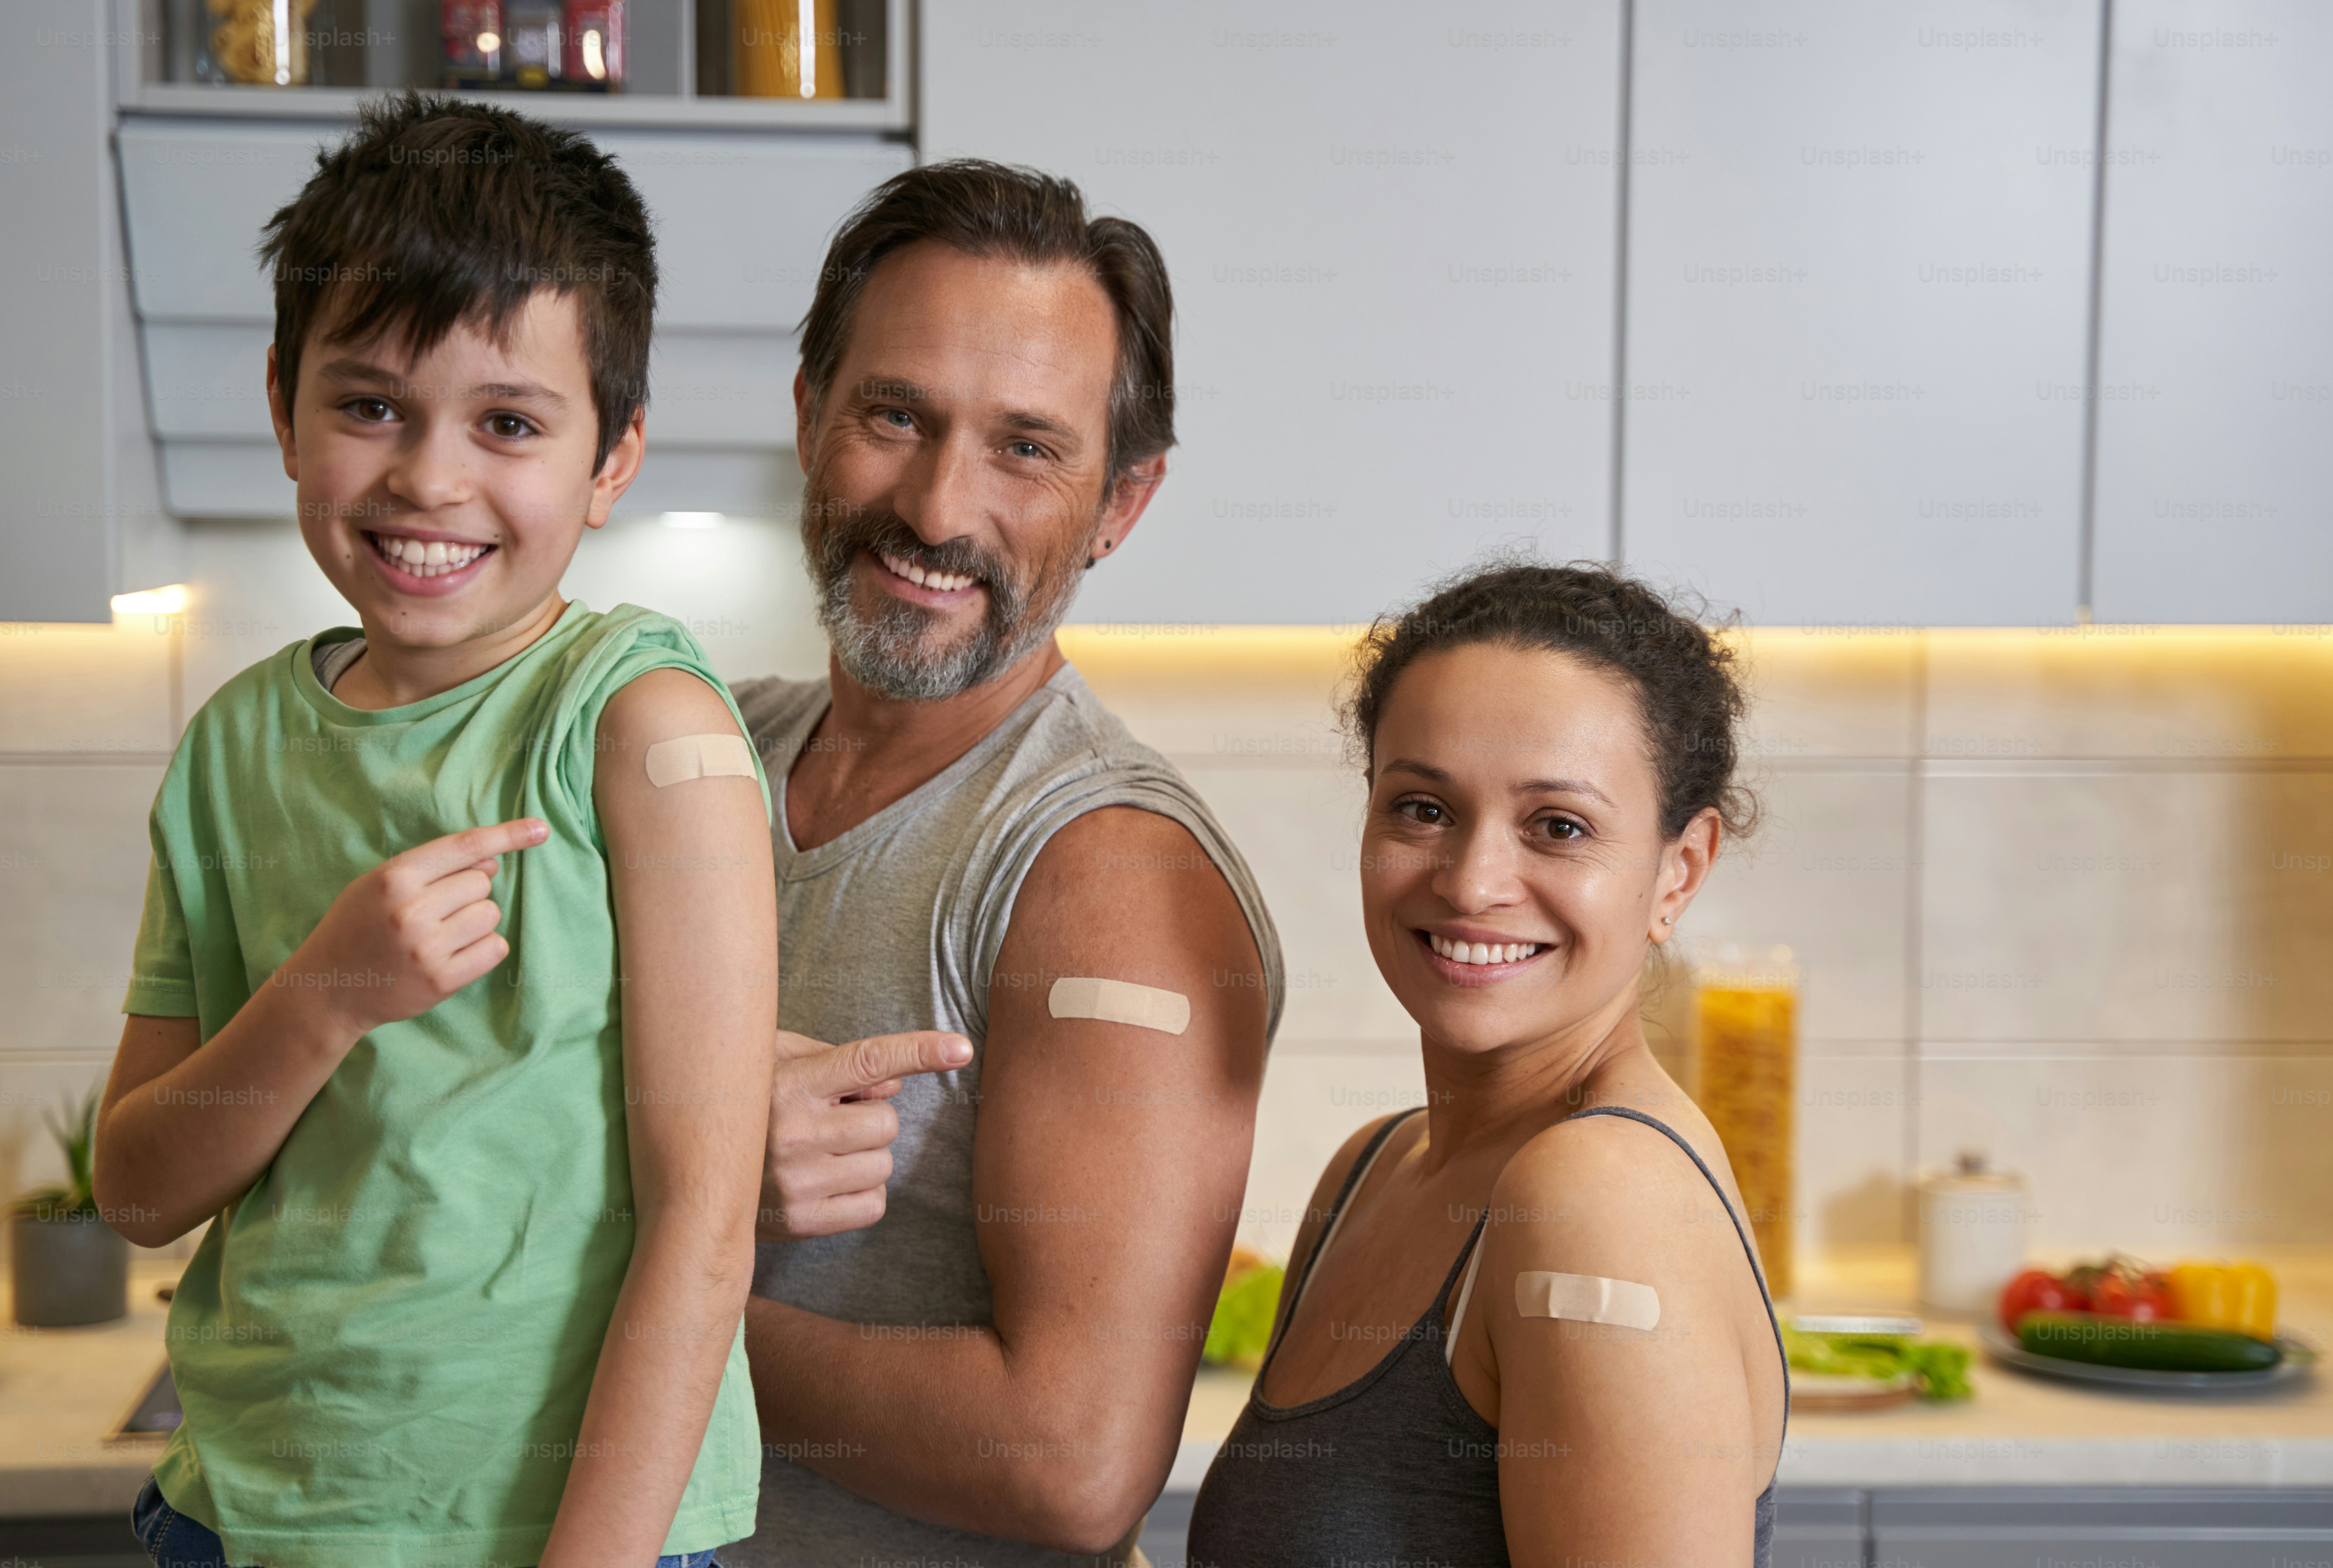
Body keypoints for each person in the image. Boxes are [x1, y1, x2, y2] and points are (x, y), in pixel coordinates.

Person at [93, 93, 773, 1568]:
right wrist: (324, 998)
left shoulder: (646, 729)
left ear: (612, 458)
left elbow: (703, 1229)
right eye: (368, 404)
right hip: (243, 1518)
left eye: (509, 424)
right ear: (283, 405)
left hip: (569, 1537)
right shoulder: (232, 749)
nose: (427, 478)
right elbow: (140, 1186)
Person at [722, 161, 1284, 1567]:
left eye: (1025, 448)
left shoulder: (1105, 873)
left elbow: (1066, 1459)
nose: (933, 505)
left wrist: (608, 1282)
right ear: (807, 416)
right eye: (893, 414)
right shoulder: (692, 756)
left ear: (1121, 503)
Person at [1189, 563, 1790, 1566]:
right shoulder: (1369, 1170)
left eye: (1559, 826)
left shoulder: (1597, 1198)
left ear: (1677, 872)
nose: (1471, 881)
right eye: (1423, 808)